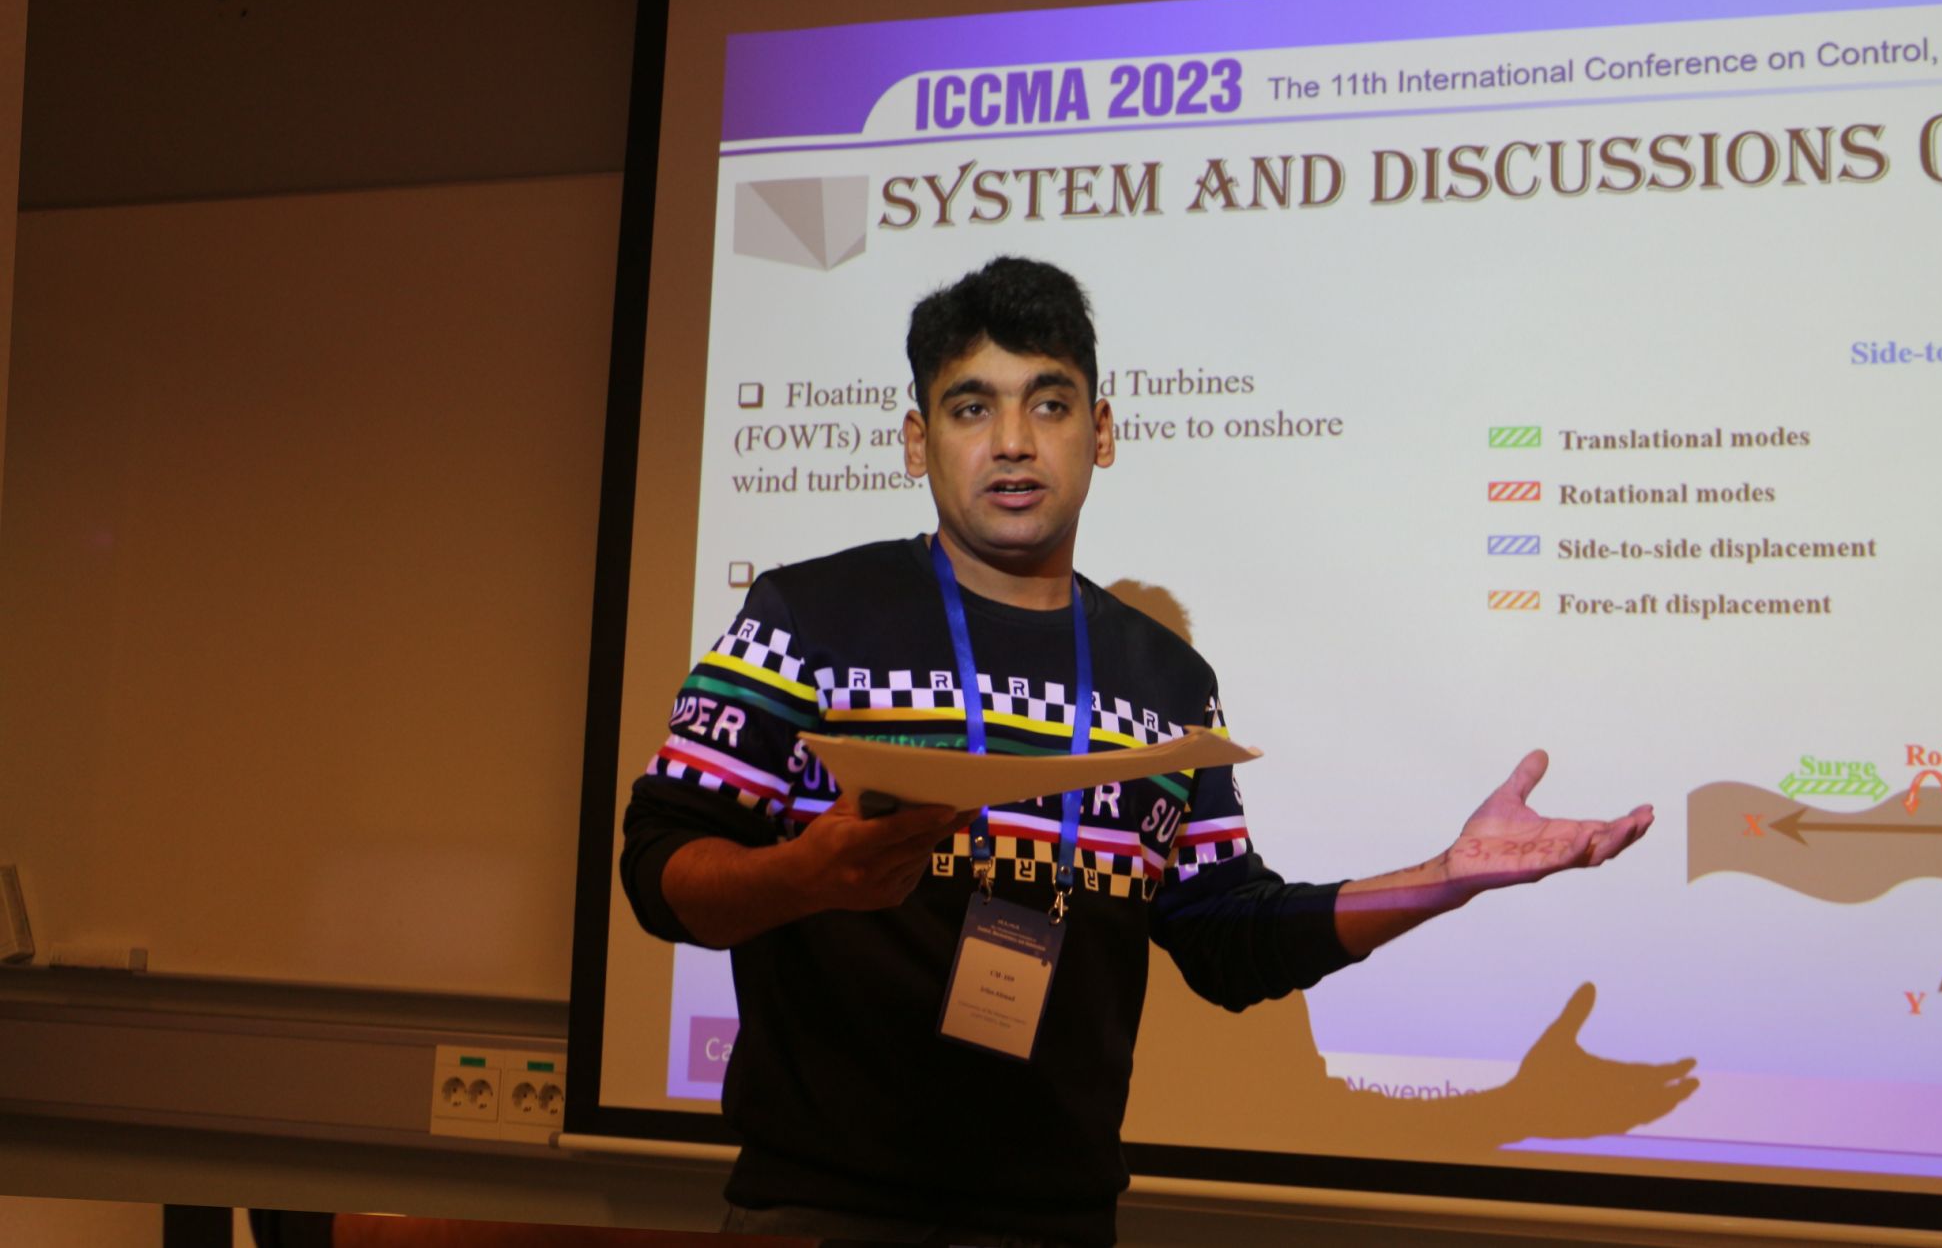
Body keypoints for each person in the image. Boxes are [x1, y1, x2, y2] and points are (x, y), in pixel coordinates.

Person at [620, 256, 1657, 1247]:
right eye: (971, 407)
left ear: (1102, 431)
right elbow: (661, 871)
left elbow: (1225, 936)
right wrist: (804, 877)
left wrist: (1442, 878)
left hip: (1055, 1221)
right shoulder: (805, 618)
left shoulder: (1165, 681)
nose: (1012, 442)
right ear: (916, 440)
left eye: (1049, 403)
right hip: (819, 1210)